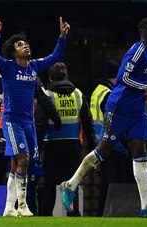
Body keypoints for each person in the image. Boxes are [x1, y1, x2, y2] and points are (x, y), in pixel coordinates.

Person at [60, 18, 147, 218]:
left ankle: (146, 205)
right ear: (145, 31)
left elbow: (138, 80)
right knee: (103, 150)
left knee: (140, 151)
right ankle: (70, 185)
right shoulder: (137, 50)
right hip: (119, 107)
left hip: (137, 110)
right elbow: (123, 78)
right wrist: (146, 86)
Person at [0, 14, 70, 217]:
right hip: (12, 120)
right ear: (13, 51)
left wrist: (62, 37)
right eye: (20, 45)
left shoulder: (34, 66)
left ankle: (8, 207)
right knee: (23, 160)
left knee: (16, 163)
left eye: (26, 44)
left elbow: (55, 57)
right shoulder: (8, 67)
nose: (25, 46)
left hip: (28, 121)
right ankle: (22, 205)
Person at [39, 62, 96, 217]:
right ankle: (73, 212)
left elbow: (41, 123)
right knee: (73, 182)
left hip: (52, 144)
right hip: (73, 145)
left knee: (50, 183)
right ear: (66, 76)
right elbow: (88, 122)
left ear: (51, 77)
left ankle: (45, 215)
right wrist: (93, 147)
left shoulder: (47, 95)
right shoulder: (77, 93)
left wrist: (37, 147)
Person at [90, 60, 134, 216]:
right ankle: (116, 214)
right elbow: (114, 122)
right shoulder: (108, 94)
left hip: (102, 146)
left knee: (106, 185)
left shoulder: (98, 91)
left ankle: (103, 214)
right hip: (113, 147)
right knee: (116, 184)